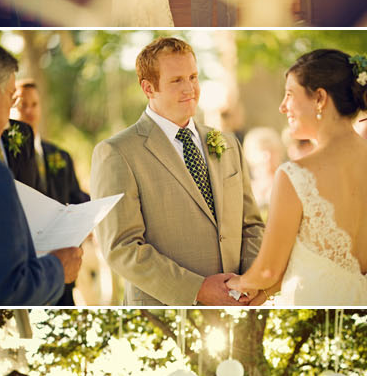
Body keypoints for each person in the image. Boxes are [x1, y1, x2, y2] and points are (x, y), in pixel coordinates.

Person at [90, 35, 263, 305]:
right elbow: (121, 248)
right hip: (164, 309)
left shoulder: (229, 143)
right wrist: (197, 289)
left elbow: (251, 224)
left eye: (193, 77)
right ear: (148, 88)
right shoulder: (116, 153)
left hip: (240, 306)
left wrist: (251, 282)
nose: (190, 88)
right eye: (176, 80)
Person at [225, 50, 367, 306]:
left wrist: (237, 284)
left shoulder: (295, 175)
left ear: (320, 98)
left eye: (290, 94)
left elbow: (268, 271)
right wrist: (269, 291)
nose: (283, 107)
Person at [0, 40, 82, 305]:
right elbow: (9, 291)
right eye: (11, 98)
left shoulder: (57, 154)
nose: (10, 116)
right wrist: (58, 268)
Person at [11, 79, 89, 206]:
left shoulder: (62, 155)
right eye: (23, 105)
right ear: (11, 108)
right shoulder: (7, 155)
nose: (29, 111)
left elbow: (76, 197)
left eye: (34, 104)